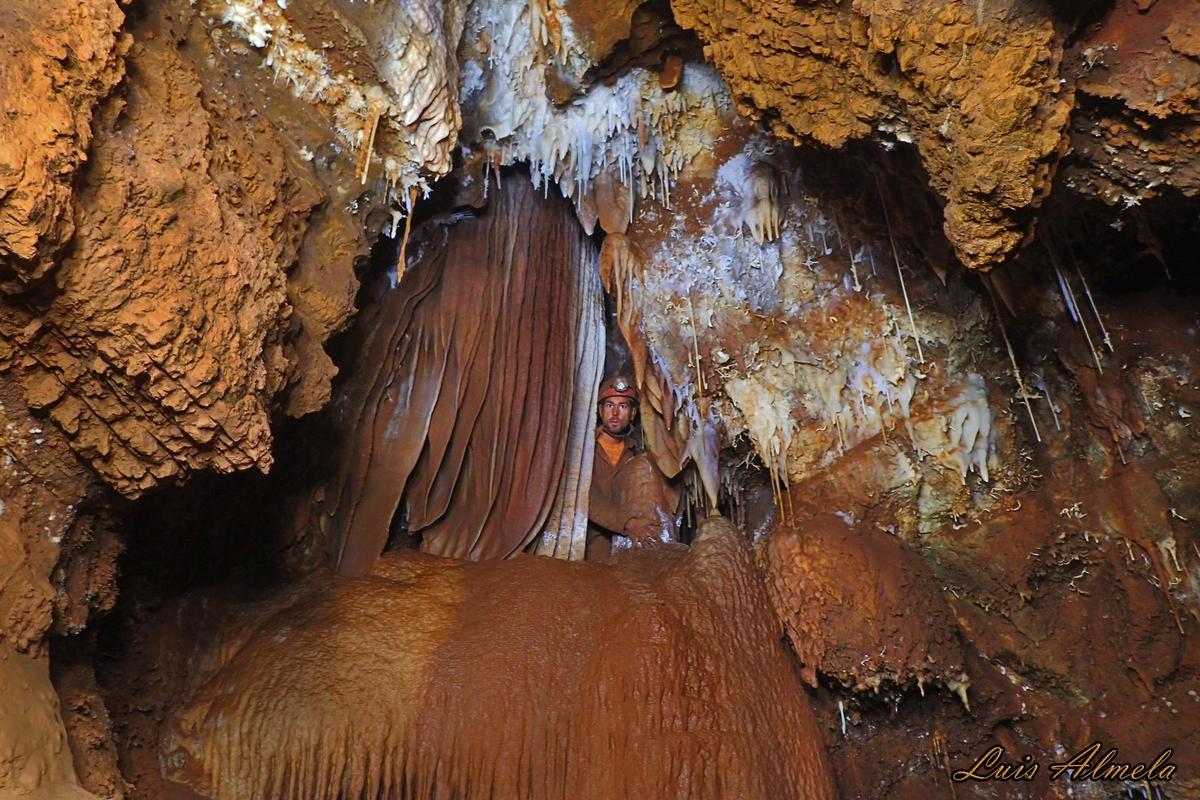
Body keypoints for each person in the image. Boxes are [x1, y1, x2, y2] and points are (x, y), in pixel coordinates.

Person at [586, 375, 678, 560]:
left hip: (633, 540)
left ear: (633, 413)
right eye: (609, 405)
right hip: (593, 541)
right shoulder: (584, 451)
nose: (615, 413)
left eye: (623, 406)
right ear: (600, 410)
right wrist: (627, 523)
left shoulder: (637, 453)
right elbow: (585, 495)